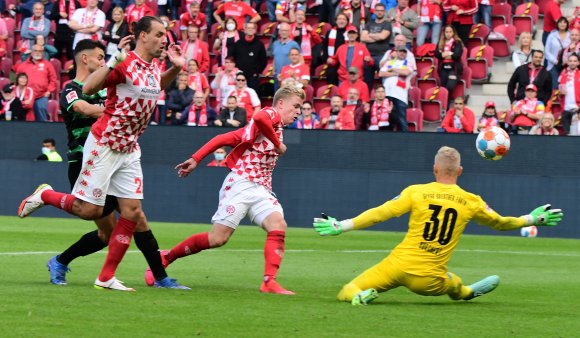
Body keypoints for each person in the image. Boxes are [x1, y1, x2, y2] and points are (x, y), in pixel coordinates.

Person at [18, 16, 188, 291]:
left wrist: (175, 69)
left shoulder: (153, 67)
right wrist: (113, 61)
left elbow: (154, 89)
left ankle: (109, 277)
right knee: (91, 211)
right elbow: (88, 90)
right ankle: (46, 195)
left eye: (165, 34)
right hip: (103, 145)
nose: (164, 40)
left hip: (129, 147)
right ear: (142, 36)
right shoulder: (122, 64)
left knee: (133, 213)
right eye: (158, 34)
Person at [313, 146, 563, 306]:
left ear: (434, 169)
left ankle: (358, 297)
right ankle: (467, 292)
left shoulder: (416, 192)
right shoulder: (471, 201)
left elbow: (379, 214)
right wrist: (533, 219)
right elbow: (501, 223)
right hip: (429, 279)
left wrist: (341, 225)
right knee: (454, 286)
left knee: (348, 288)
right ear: (460, 171)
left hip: (396, 266)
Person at [144, 86, 305, 295]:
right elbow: (260, 118)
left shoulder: (270, 128)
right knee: (217, 239)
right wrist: (277, 145)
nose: (298, 111)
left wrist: (195, 159)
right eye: (296, 106)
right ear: (281, 103)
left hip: (261, 189)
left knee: (278, 224)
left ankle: (269, 282)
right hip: (241, 184)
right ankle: (165, 257)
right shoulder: (271, 114)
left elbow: (222, 139)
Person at [14, 45, 58, 122]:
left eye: (40, 51)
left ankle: (43, 132)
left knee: (41, 114)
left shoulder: (48, 65)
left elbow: (53, 80)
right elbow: (17, 79)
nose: (37, 53)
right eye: (35, 51)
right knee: (23, 119)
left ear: (43, 53)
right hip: (25, 96)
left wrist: (49, 91)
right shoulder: (23, 65)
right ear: (31, 52)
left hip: (41, 96)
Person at [379, 45, 413, 132]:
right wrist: (395, 73)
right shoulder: (389, 62)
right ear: (396, 52)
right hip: (387, 93)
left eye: (404, 52)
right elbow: (381, 73)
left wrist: (393, 69)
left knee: (402, 119)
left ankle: (405, 140)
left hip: (400, 95)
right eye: (400, 51)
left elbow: (406, 72)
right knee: (386, 118)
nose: (402, 53)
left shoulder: (408, 62)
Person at [361, 3, 392, 92]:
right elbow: (363, 38)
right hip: (368, 56)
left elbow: (383, 37)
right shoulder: (368, 24)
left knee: (383, 81)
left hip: (382, 56)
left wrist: (370, 35)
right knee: (367, 82)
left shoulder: (387, 24)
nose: (379, 13)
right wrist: (377, 37)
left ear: (384, 12)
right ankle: (367, 102)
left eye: (381, 11)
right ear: (374, 11)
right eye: (377, 11)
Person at [231, 22, 268, 91]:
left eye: (252, 28)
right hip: (240, 76)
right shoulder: (238, 43)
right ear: (245, 30)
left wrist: (256, 72)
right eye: (248, 28)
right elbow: (233, 58)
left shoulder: (259, 44)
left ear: (255, 30)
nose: (250, 30)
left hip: (253, 77)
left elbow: (264, 61)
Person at [435, 25, 464, 101]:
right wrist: (449, 53)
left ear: (453, 33)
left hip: (454, 69)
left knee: (450, 86)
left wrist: (444, 54)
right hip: (443, 68)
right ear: (444, 33)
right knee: (444, 88)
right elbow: (437, 54)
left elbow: (456, 55)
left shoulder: (457, 42)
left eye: (450, 32)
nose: (448, 33)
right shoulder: (440, 42)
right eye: (446, 32)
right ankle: (446, 107)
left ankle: (446, 103)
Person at [272, 22, 301, 88]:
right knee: (277, 96)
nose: (284, 32)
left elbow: (300, 60)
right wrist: (273, 70)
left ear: (289, 32)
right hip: (277, 76)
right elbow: (275, 57)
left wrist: (296, 74)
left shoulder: (294, 44)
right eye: (282, 30)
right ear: (279, 32)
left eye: (286, 30)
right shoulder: (275, 44)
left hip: (289, 78)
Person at [545, 17, 570, 89]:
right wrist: (555, 61)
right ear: (557, 24)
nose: (562, 24)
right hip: (553, 65)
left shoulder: (570, 35)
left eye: (564, 22)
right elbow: (547, 51)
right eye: (560, 22)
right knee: (555, 87)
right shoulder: (552, 35)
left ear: (567, 24)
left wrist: (567, 61)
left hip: (566, 65)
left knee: (564, 86)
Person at [558, 53, 580, 134]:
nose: (572, 63)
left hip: (577, 109)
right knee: (567, 135)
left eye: (575, 61)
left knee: (577, 134)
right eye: (570, 61)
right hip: (565, 109)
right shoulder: (562, 74)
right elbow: (559, 93)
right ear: (567, 62)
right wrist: (560, 94)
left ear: (578, 63)